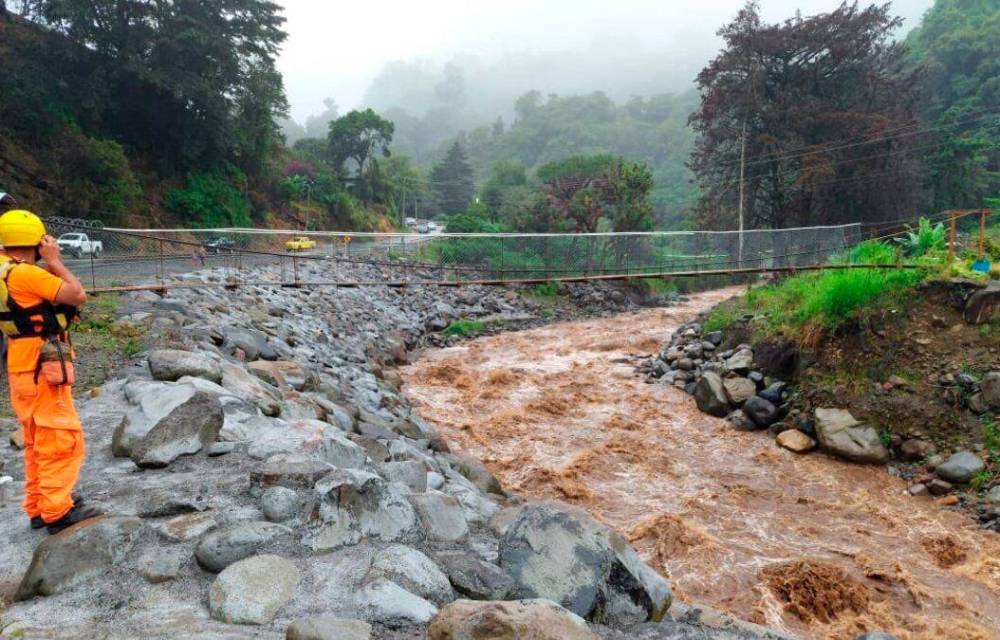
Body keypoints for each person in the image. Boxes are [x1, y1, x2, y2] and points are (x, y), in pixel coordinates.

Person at [0, 209, 102, 533]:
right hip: (41, 367)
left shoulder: (3, 272)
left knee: (34, 439)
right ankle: (57, 510)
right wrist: (55, 261)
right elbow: (77, 295)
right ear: (34, 241)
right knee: (59, 438)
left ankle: (37, 506)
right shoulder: (27, 275)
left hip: (19, 363)